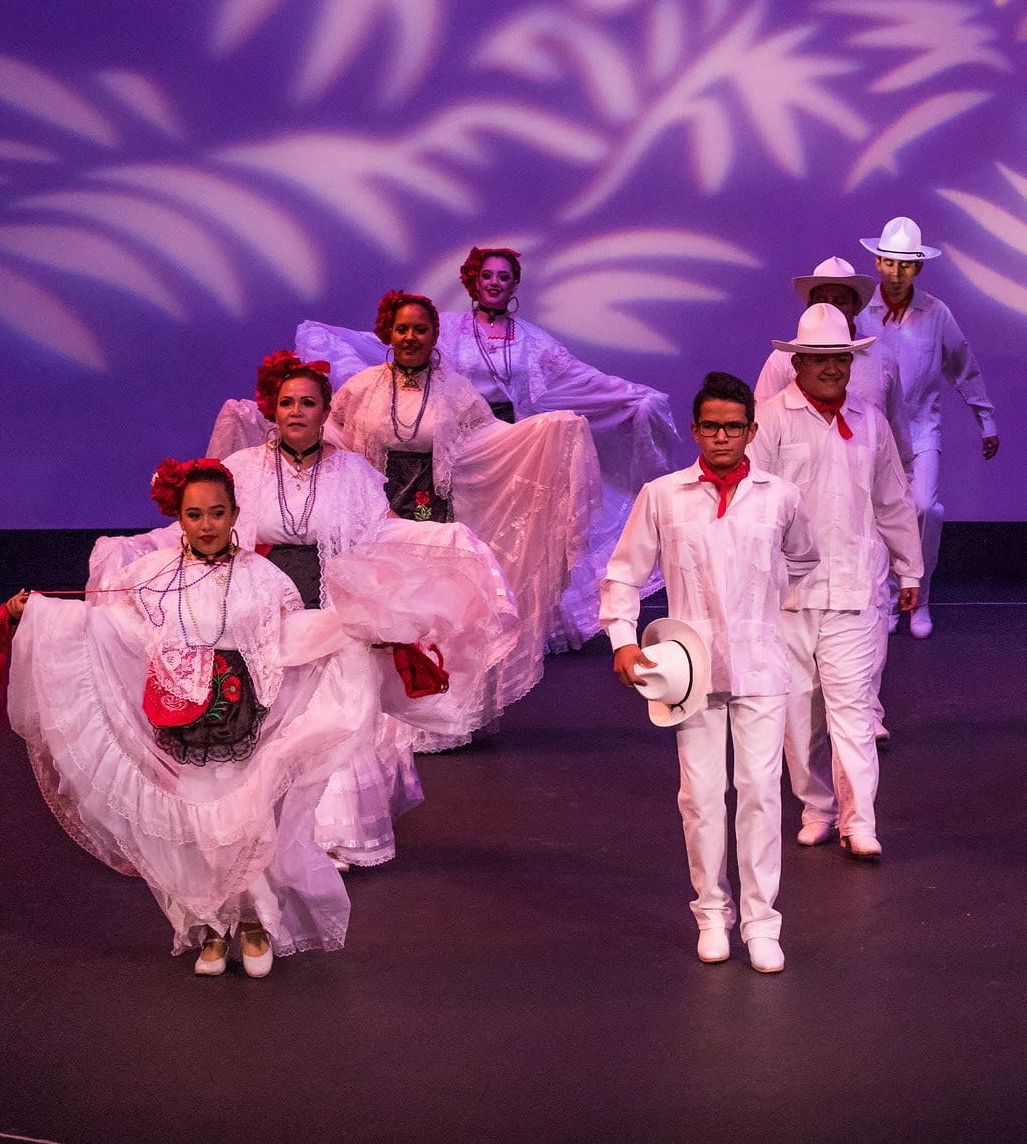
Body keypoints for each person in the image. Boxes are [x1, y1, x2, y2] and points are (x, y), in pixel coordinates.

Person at [0, 459, 377, 978]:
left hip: (243, 716)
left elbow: (287, 637)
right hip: (181, 718)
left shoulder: (266, 579)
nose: (206, 525)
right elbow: (110, 626)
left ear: (236, 514)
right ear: (179, 518)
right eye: (194, 514)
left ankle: (254, 922)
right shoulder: (150, 577)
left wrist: (348, 627)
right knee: (197, 826)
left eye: (217, 513)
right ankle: (209, 925)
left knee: (242, 820)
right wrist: (38, 611)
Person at [104, 352, 523, 865]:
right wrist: (132, 550)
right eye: (287, 403)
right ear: (272, 411)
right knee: (273, 724)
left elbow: (380, 532)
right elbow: (196, 528)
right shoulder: (242, 470)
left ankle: (328, 839)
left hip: (332, 615)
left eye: (308, 402)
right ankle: (263, 834)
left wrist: (446, 541)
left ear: (326, 412)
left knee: (334, 722)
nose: (297, 411)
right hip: (264, 613)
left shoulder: (354, 472)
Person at [291, 249, 680, 650]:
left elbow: (581, 378)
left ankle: (465, 632)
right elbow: (389, 344)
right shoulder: (449, 329)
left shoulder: (531, 342)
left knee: (496, 538)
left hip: (497, 442)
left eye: (504, 277)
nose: (494, 283)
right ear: (474, 281)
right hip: (445, 436)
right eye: (487, 275)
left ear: (514, 286)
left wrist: (633, 396)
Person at [601, 373, 818, 972]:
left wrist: (766, 604)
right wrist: (623, 638)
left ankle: (761, 922)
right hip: (689, 668)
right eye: (711, 426)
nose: (722, 436)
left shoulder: (780, 496)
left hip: (759, 663)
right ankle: (711, 913)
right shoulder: (664, 495)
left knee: (760, 797)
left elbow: (804, 556)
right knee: (699, 797)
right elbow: (623, 572)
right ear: (695, 430)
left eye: (734, 426)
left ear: (752, 430)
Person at [326, 290, 599, 744]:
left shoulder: (454, 388)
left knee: (432, 616)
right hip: (374, 512)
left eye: (420, 328)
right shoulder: (361, 387)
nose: (411, 337)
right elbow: (333, 433)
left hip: (435, 515)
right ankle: (379, 724)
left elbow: (490, 438)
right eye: (402, 328)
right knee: (381, 613)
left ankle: (434, 725)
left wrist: (546, 433)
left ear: (434, 334)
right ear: (387, 333)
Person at [748, 304, 922, 860]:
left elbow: (893, 497)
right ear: (797, 362)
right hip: (789, 593)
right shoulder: (771, 418)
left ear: (851, 361)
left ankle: (860, 820)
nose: (830, 368)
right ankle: (817, 806)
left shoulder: (869, 420)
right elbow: (751, 501)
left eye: (839, 359)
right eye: (819, 359)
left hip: (854, 588)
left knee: (852, 710)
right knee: (799, 717)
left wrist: (909, 567)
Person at [859, 216, 999, 639]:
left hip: (921, 431)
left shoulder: (936, 313)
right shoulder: (861, 311)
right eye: (890, 262)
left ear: (918, 268)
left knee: (923, 509)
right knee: (876, 515)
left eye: (906, 264)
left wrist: (985, 418)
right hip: (874, 432)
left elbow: (963, 365)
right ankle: (886, 600)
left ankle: (918, 595)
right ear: (879, 263)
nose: (897, 272)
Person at [754, 256, 904, 429]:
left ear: (857, 306)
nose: (830, 307)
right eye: (821, 301)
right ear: (809, 305)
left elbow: (896, 429)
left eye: (840, 301)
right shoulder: (782, 358)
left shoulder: (883, 357)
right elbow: (762, 422)